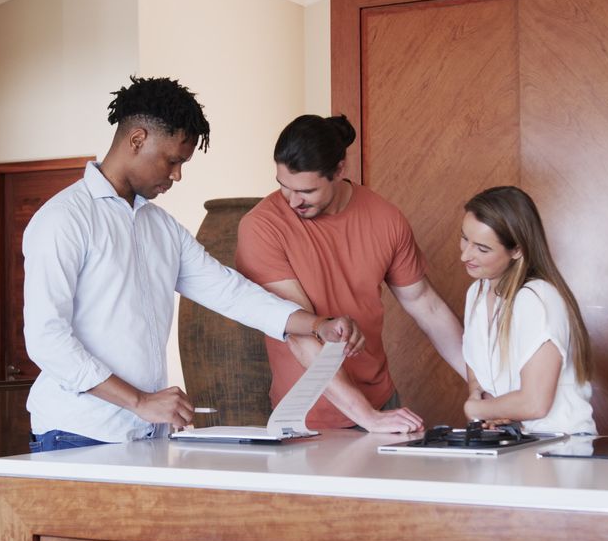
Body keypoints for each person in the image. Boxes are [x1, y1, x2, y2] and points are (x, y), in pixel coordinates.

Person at [22, 77, 365, 452]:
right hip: (75, 435)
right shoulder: (62, 219)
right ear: (137, 140)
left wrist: (317, 324)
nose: (177, 175)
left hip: (146, 435)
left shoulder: (161, 228)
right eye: (172, 161)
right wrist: (140, 401)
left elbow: (230, 292)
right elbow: (47, 339)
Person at [235, 114, 466, 434]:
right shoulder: (261, 227)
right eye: (283, 186)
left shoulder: (385, 218)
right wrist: (367, 416)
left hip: (381, 405)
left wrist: (482, 381)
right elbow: (299, 333)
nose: (292, 201)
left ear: (340, 170)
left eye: (306, 191)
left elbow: (425, 304)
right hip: (305, 419)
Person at [459, 186, 596, 435]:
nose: (465, 255)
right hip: (513, 444)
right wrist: (487, 408)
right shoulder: (476, 294)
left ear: (517, 250)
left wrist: (477, 410)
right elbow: (480, 387)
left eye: (482, 248)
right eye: (465, 238)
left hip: (560, 449)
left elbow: (534, 403)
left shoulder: (536, 298)